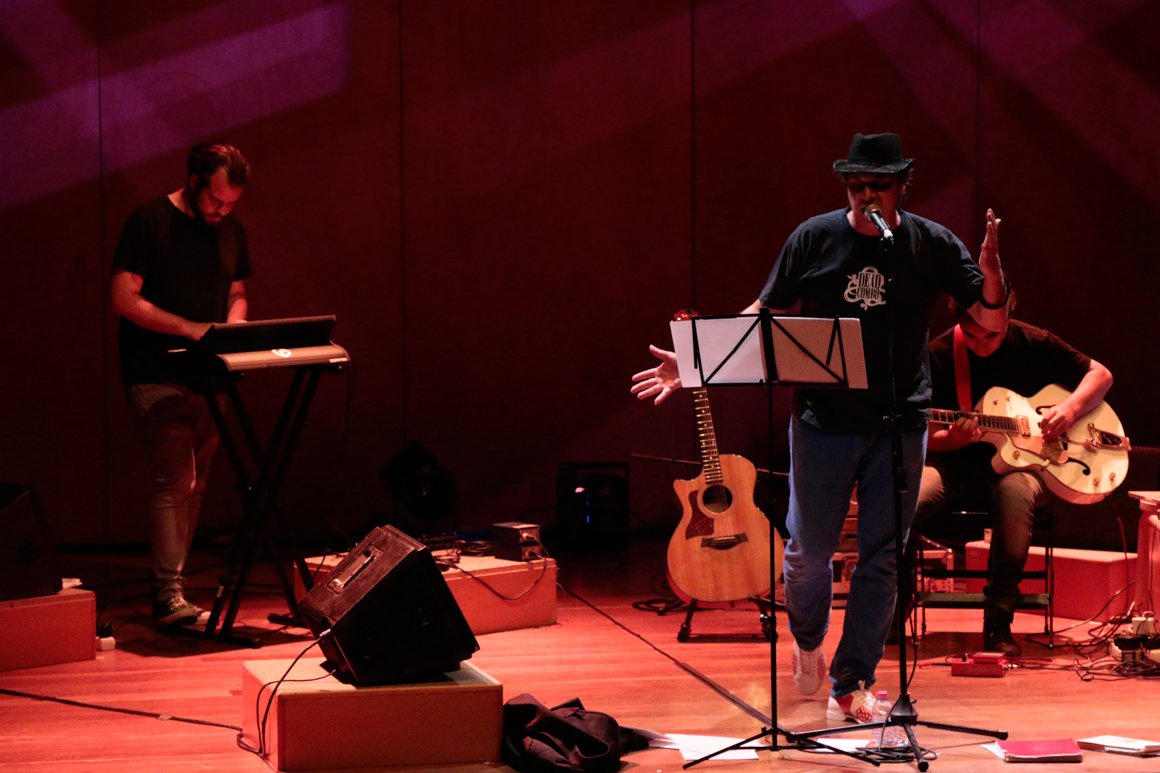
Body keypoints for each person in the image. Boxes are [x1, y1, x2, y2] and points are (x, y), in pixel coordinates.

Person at [631, 132, 1008, 723]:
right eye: (856, 185)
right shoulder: (814, 237)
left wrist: (991, 271)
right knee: (808, 552)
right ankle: (808, 641)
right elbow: (763, 313)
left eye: (877, 185)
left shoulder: (931, 242)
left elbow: (991, 320)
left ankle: (852, 682)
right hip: (823, 421)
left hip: (900, 421)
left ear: (901, 186)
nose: (865, 195)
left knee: (883, 556)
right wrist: (697, 362)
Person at [908, 295, 1112, 656]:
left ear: (1008, 317)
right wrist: (954, 438)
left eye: (993, 336)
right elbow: (926, 435)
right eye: (972, 336)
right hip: (955, 467)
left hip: (1023, 466)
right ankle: (894, 609)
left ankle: (998, 620)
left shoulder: (1035, 341)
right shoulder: (938, 354)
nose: (982, 345)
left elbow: (1101, 375)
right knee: (907, 500)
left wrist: (1068, 410)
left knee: (1015, 494)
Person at [111, 143, 252, 628]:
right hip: (155, 372)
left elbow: (237, 291)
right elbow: (124, 298)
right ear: (193, 182)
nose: (222, 211)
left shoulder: (230, 229)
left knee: (196, 484)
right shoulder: (149, 221)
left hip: (208, 375)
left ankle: (174, 592)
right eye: (215, 199)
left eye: (231, 203)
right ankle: (167, 594)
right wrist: (189, 328)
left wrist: (234, 326)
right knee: (176, 481)